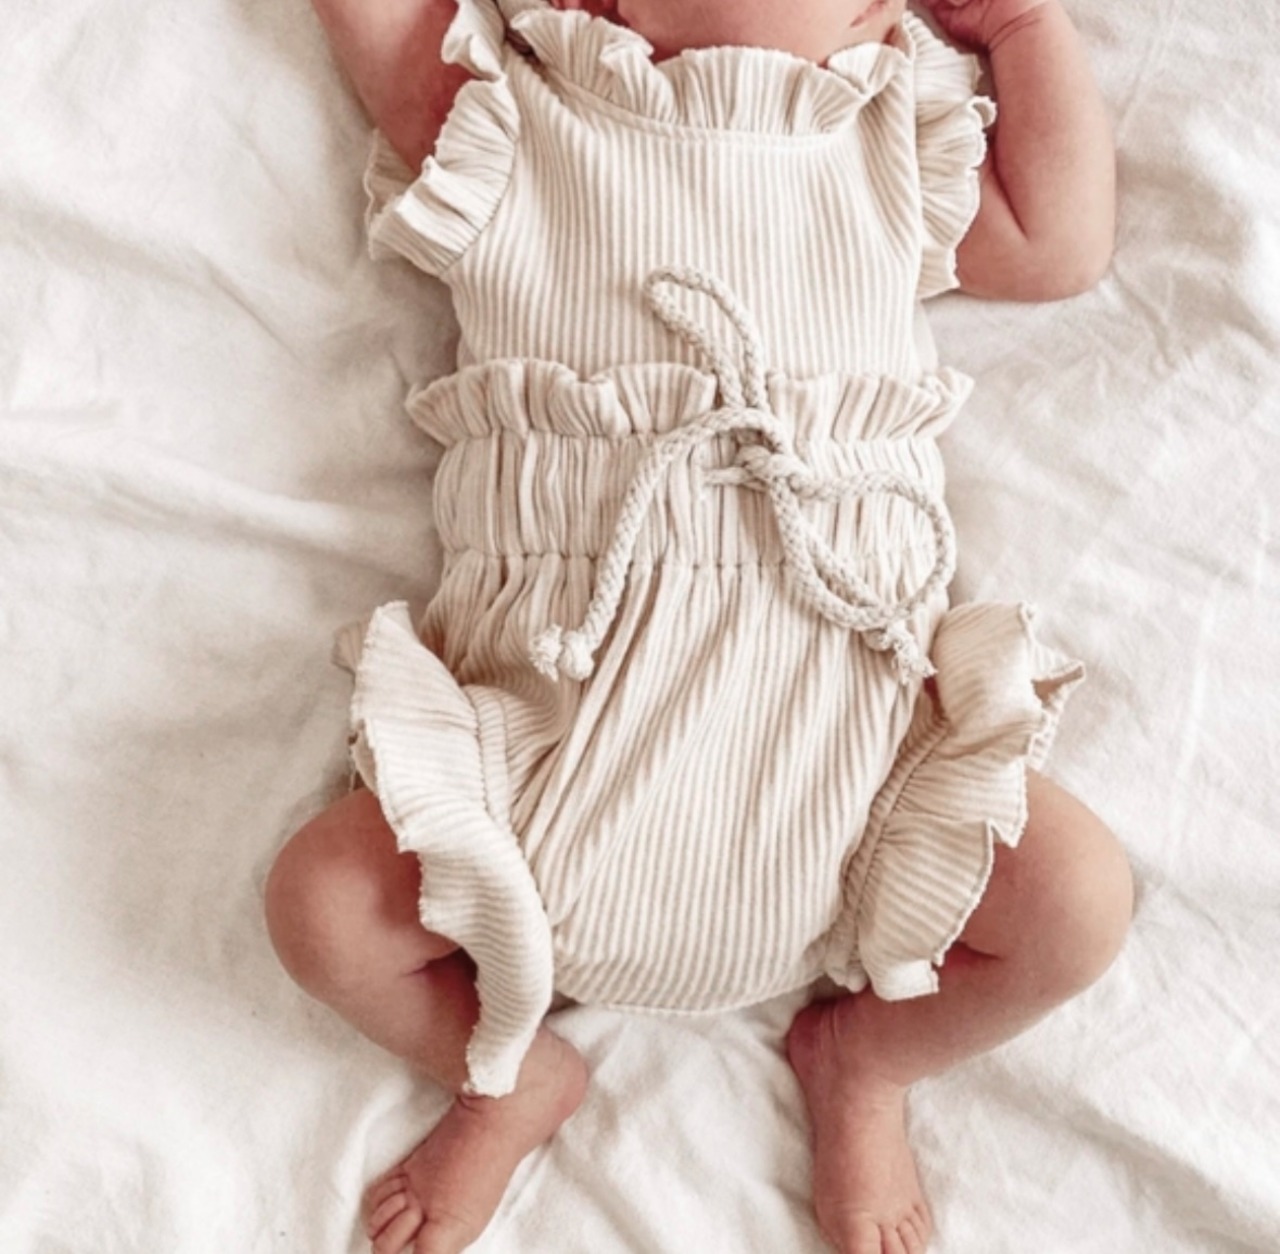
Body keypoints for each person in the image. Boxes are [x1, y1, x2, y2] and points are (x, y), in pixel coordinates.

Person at [264, 1, 1133, 1251]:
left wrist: (1019, 28)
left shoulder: (878, 135)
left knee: (1077, 905)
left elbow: (1057, 247)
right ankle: (503, 1071)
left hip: (853, 770)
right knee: (322, 909)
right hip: (547, 755)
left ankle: (869, 1061)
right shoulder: (521, 115)